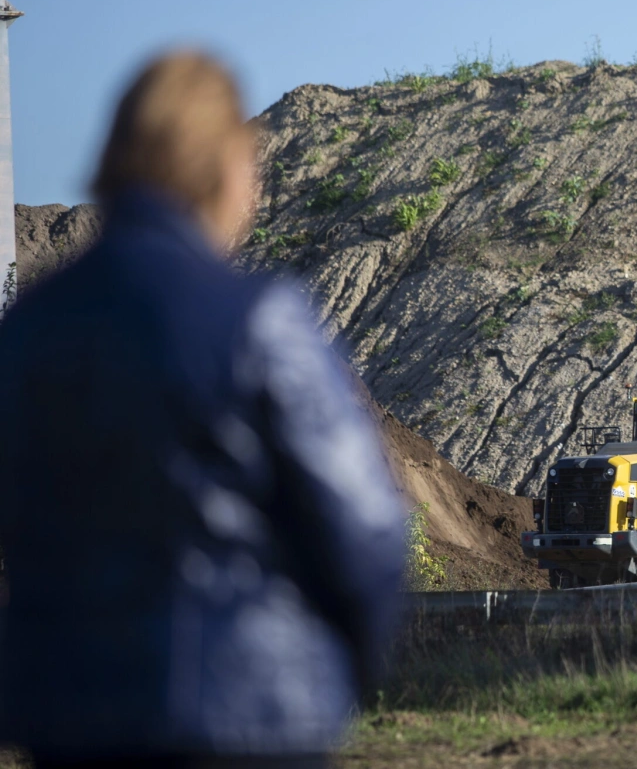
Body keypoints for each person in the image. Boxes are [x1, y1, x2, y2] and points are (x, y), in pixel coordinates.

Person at [0, 53, 408, 768]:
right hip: (249, 715)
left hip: (70, 721)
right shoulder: (258, 320)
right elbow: (366, 532)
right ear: (222, 170)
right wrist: (341, 668)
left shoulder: (28, 328)